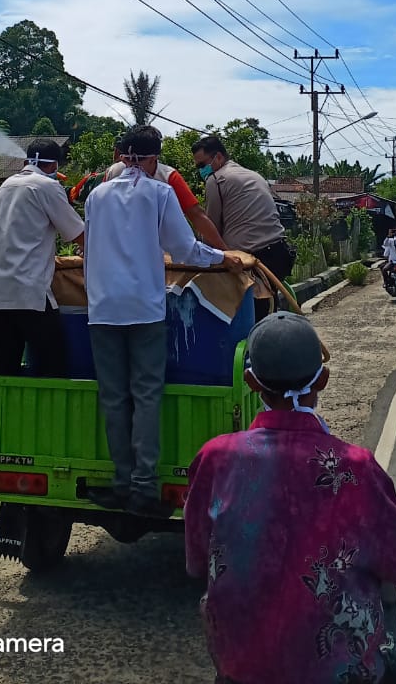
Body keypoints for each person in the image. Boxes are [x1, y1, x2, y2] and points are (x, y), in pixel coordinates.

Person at [185, 312, 396, 684]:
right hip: (335, 671)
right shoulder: (355, 468)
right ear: (322, 379)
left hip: (238, 665)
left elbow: (197, 561)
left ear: (251, 382)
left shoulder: (215, 458)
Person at [83, 125, 242, 517]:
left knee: (113, 397)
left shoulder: (96, 195)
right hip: (143, 310)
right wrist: (223, 257)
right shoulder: (159, 193)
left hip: (102, 310)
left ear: (123, 156)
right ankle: (143, 488)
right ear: (154, 159)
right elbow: (183, 248)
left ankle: (122, 482)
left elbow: (89, 248)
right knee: (146, 395)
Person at [0, 138, 84, 377]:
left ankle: (4, 403)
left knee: (5, 370)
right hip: (30, 292)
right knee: (54, 367)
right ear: (53, 165)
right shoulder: (47, 186)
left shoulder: (5, 186)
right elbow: (78, 234)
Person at [192, 135, 294, 315]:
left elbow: (211, 229)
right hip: (280, 253)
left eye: (202, 165)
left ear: (218, 157)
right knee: (267, 312)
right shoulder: (254, 175)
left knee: (246, 317)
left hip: (251, 261)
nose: (201, 170)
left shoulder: (216, 180)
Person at [104, 128, 227, 249]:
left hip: (157, 248)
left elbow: (196, 216)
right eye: (127, 161)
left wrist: (224, 251)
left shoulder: (168, 177)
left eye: (139, 161)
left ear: (153, 159)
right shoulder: (113, 172)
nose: (133, 168)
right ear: (123, 158)